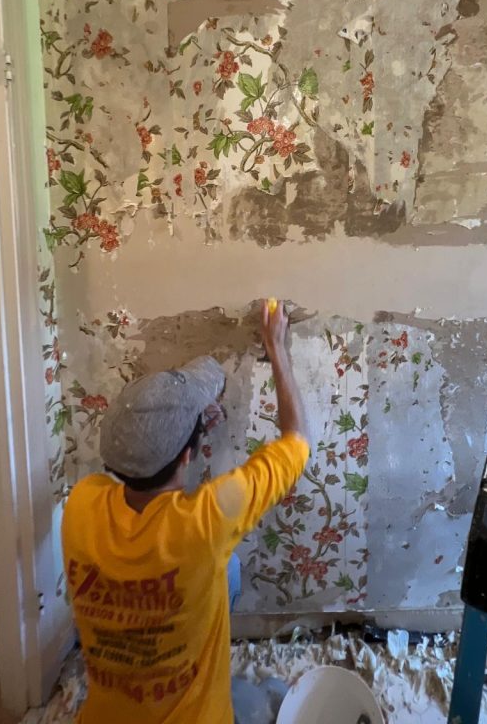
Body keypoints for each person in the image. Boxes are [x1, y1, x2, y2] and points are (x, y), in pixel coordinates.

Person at [62, 300, 309, 724]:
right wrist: (277, 348)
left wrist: (183, 439)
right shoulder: (206, 524)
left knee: (225, 570)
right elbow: (297, 440)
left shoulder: (81, 506)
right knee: (272, 695)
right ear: (186, 457)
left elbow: (143, 478)